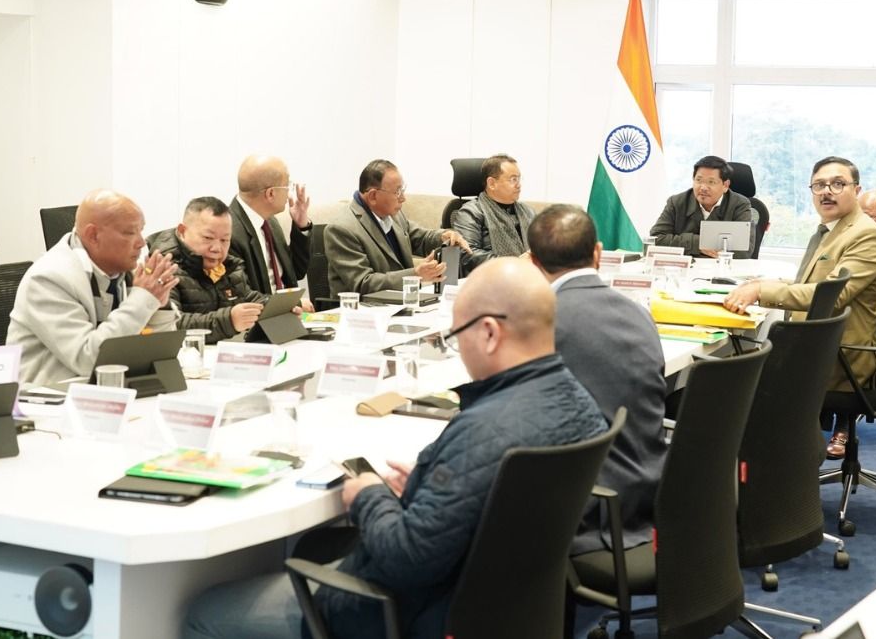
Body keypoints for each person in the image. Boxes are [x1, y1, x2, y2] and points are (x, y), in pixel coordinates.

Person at [183, 258, 607, 639]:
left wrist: (368, 493)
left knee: (206, 612)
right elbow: (501, 507)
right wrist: (429, 491)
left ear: (490, 333)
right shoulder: (580, 404)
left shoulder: (483, 429)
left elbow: (408, 558)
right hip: (502, 609)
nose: (457, 349)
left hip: (413, 611)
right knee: (316, 546)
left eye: (457, 335)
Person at [724, 157, 876, 459]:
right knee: (733, 362)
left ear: (857, 190)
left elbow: (831, 295)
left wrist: (762, 291)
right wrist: (762, 284)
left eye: (838, 184)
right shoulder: (833, 230)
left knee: (727, 379)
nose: (827, 191)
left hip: (841, 357)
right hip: (815, 345)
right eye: (819, 185)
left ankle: (775, 473)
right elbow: (812, 283)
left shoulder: (866, 234)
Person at [527, 204, 667, 555]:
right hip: (657, 495)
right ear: (598, 253)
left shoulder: (539, 324)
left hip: (589, 512)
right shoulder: (640, 313)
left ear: (532, 262)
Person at [6, 189, 180, 384]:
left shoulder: (125, 271)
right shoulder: (48, 279)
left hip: (108, 389)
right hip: (51, 395)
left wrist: (159, 305)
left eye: (141, 230)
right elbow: (88, 360)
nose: (141, 242)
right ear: (93, 235)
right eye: (130, 232)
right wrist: (142, 300)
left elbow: (159, 355)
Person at [325, 159, 471, 298]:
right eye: (397, 192)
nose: (403, 198)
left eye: (402, 190)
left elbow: (420, 238)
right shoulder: (342, 229)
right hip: (361, 309)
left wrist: (444, 236)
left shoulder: (392, 214)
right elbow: (363, 283)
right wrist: (415, 275)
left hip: (402, 301)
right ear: (373, 196)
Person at [146, 196, 269, 343]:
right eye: (208, 238)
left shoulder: (229, 266)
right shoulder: (163, 268)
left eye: (224, 240)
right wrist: (229, 321)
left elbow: (248, 298)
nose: (217, 248)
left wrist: (283, 306)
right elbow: (170, 326)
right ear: (182, 231)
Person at [229, 154, 312, 294]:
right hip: (262, 307)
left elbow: (296, 272)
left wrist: (301, 225)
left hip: (286, 306)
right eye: (287, 185)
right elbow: (243, 296)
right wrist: (292, 304)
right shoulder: (229, 233)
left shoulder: (269, 221)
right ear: (271, 193)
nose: (289, 192)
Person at [649, 155, 753, 258]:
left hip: (722, 267)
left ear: (725, 185)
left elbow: (745, 249)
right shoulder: (676, 202)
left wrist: (684, 243)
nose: (703, 187)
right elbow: (656, 239)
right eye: (698, 180)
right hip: (686, 267)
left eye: (711, 182)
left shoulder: (740, 205)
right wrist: (698, 244)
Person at [451, 154, 535, 271]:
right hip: (488, 277)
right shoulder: (471, 212)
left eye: (519, 179)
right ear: (491, 183)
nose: (519, 185)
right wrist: (513, 263)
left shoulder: (528, 212)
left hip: (528, 275)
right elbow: (467, 254)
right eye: (513, 179)